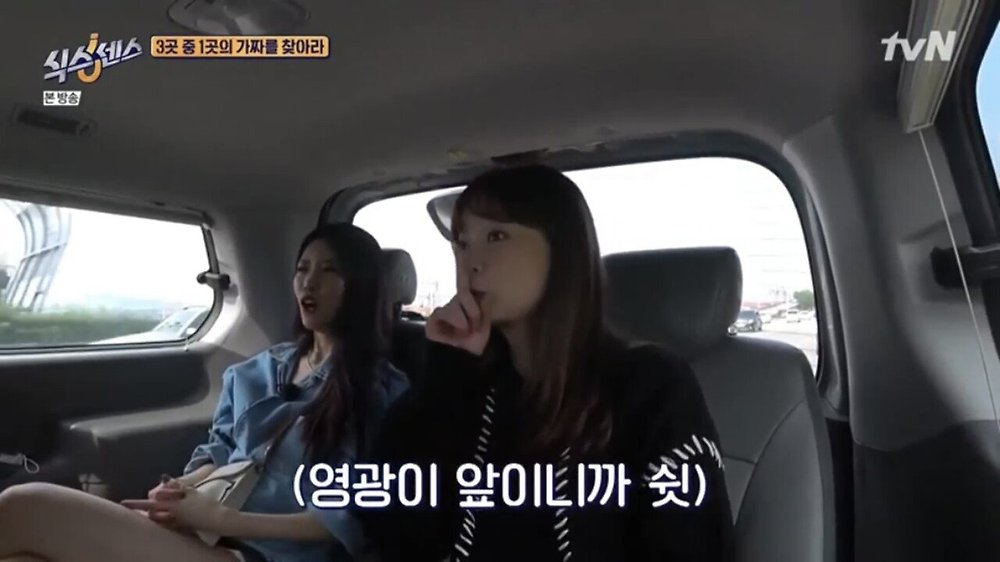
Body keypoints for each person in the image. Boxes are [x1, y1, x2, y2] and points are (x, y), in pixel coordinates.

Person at [363, 165, 734, 561]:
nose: (470, 262)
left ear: (561, 252)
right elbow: (393, 529)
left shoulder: (649, 388)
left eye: (497, 236)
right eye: (462, 244)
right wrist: (446, 378)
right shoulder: (468, 385)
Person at [0, 223, 409, 562]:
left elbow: (344, 520)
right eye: (302, 268)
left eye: (329, 270)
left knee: (25, 505)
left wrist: (217, 518)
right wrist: (181, 489)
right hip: (206, 533)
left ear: (361, 285)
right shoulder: (262, 369)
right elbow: (222, 451)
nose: (309, 281)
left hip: (265, 553)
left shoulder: (382, 393)